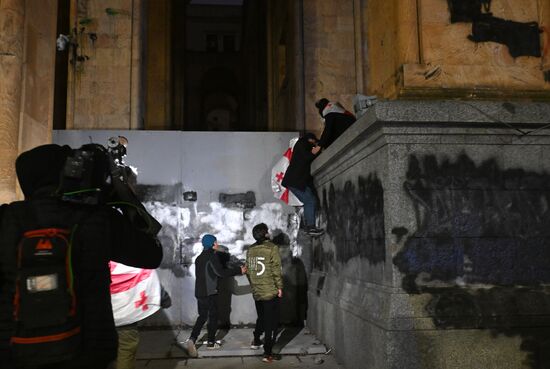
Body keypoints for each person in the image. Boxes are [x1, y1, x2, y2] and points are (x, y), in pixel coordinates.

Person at [0, 144, 163, 369]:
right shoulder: (97, 218)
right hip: (87, 350)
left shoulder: (7, 218)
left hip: (14, 351)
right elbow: (151, 254)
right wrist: (123, 196)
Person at [181, 234, 246, 358]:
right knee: (213, 316)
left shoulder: (199, 258)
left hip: (199, 292)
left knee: (202, 316)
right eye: (215, 242)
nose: (217, 244)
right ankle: (211, 342)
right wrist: (239, 270)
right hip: (210, 292)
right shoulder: (212, 256)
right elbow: (220, 273)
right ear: (212, 244)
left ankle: (192, 338)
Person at [246, 223, 283, 363]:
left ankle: (256, 340)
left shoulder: (250, 249)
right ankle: (268, 353)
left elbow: (248, 271)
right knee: (270, 323)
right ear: (266, 234)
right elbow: (276, 270)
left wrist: (254, 285)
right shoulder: (272, 248)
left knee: (261, 317)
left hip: (257, 291)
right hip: (270, 291)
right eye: (267, 231)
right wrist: (279, 287)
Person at [281, 133, 324, 235]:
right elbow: (308, 157)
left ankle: (309, 227)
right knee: (309, 201)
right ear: (310, 139)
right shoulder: (302, 144)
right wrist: (318, 148)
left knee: (310, 200)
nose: (314, 145)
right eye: (314, 143)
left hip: (296, 180)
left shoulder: (302, 145)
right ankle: (311, 228)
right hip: (295, 180)